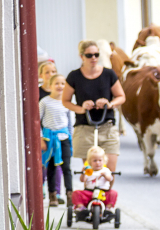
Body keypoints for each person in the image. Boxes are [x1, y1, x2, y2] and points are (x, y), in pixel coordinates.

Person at [63, 40, 125, 172]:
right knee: (90, 171)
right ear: (81, 56)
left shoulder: (108, 74)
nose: (94, 58)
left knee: (109, 171)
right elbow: (66, 101)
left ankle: (106, 186)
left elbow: (121, 96)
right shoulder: (74, 76)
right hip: (85, 127)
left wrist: (109, 104)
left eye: (96, 55)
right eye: (89, 55)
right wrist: (81, 109)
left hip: (107, 126)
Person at [40, 74, 73, 206]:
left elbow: (70, 123)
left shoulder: (67, 103)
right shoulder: (44, 102)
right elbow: (37, 120)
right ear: (50, 86)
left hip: (64, 138)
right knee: (51, 167)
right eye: (57, 83)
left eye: (62, 83)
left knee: (66, 167)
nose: (60, 86)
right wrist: (41, 138)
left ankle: (69, 194)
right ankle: (52, 195)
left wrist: (71, 138)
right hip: (49, 139)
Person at [72, 146, 117, 212]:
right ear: (90, 162)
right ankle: (81, 207)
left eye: (100, 160)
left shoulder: (105, 170)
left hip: (103, 193)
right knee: (76, 193)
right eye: (95, 161)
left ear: (104, 161)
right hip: (90, 192)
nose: (97, 163)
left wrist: (105, 175)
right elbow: (82, 180)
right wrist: (83, 173)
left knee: (113, 193)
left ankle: (108, 208)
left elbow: (110, 179)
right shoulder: (89, 171)